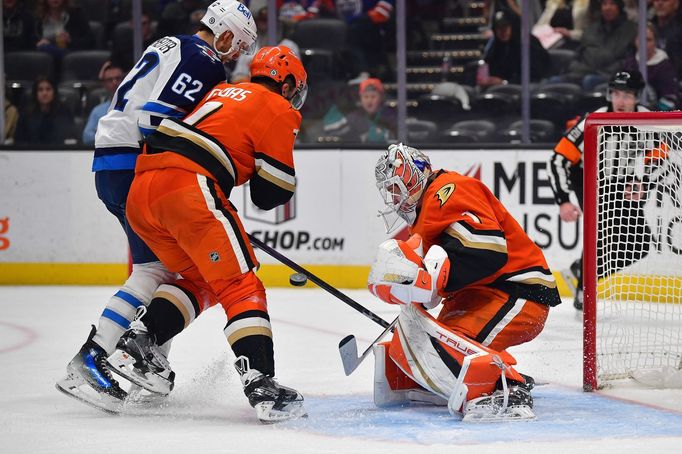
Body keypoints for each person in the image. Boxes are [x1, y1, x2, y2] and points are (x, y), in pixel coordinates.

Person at [56, 0, 258, 413]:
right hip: (135, 163)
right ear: (222, 33)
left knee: (174, 268)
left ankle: (148, 360)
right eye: (237, 43)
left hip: (116, 159)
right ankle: (90, 359)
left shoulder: (173, 44)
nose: (237, 54)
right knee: (156, 270)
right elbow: (153, 121)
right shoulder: (205, 62)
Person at [115, 45, 308, 422]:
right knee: (242, 285)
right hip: (190, 190)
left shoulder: (221, 90)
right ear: (285, 85)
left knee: (201, 277)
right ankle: (261, 384)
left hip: (142, 192)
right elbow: (271, 194)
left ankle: (139, 340)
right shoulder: (279, 108)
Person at [367, 143, 560, 421]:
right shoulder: (423, 213)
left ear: (411, 176)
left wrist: (429, 280)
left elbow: (488, 252)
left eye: (394, 186)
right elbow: (437, 278)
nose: (392, 196)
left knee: (454, 349)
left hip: (517, 292)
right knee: (431, 343)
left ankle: (508, 388)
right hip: (479, 296)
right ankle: (489, 374)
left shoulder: (450, 189)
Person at [546, 70, 651, 310]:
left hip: (623, 184)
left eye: (627, 95)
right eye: (616, 94)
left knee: (640, 245)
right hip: (588, 180)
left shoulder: (648, 119)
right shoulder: (593, 121)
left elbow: (658, 155)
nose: (621, 101)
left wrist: (644, 182)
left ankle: (580, 272)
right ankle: (584, 288)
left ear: (637, 97)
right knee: (601, 234)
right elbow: (558, 158)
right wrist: (563, 200)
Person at [558, 0, 636, 90]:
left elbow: (626, 61)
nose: (607, 8)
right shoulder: (590, 29)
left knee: (589, 81)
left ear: (619, 7)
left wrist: (600, 72)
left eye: (612, 4)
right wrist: (575, 67)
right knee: (553, 82)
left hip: (608, 75)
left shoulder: (631, 30)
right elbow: (579, 54)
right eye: (604, 4)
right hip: (582, 72)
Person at [479, 9, 550, 88]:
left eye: (505, 27)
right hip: (500, 90)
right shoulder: (495, 46)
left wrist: (505, 82)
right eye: (498, 28)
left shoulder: (528, 43)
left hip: (528, 89)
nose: (502, 31)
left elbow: (535, 74)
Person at [622, 22, 679, 111]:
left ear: (655, 42)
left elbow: (670, 99)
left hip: (657, 119)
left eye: (648, 40)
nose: (643, 44)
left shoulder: (665, 67)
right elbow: (622, 93)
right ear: (635, 41)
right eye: (640, 39)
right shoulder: (629, 64)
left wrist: (649, 114)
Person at [322, 77, 396, 143]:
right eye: (365, 97)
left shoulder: (391, 116)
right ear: (360, 98)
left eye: (373, 96)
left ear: (381, 98)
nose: (369, 101)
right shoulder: (354, 118)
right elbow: (331, 133)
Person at [14, 76, 78, 145]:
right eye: (40, 90)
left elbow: (70, 137)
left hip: (59, 152)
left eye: (48, 89)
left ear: (54, 92)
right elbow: (19, 141)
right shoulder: (26, 115)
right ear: (35, 93)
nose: (44, 93)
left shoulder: (64, 112)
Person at [82, 62, 125, 145]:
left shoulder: (135, 105)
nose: (115, 82)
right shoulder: (98, 111)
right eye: (110, 80)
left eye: (118, 78)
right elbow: (86, 137)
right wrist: (111, 137)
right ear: (104, 84)